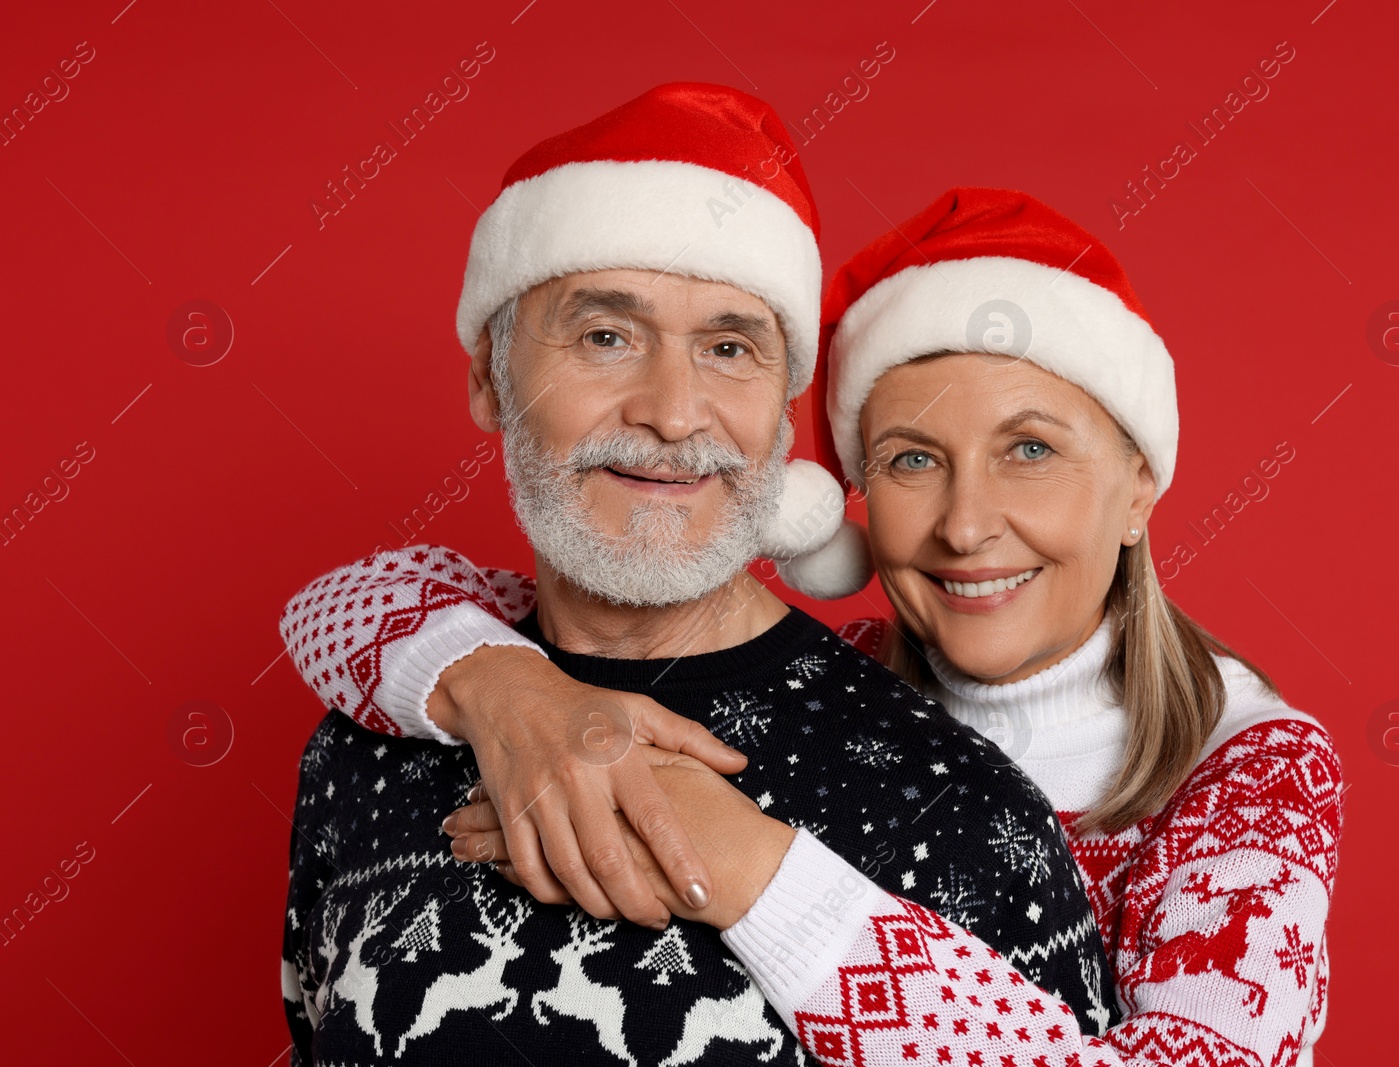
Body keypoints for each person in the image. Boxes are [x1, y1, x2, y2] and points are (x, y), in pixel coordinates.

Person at [281, 188, 1345, 1066]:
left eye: (1030, 449)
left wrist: (743, 863)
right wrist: (513, 696)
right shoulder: (830, 685)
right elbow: (352, 602)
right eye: (912, 461)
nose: (969, 525)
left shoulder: (1247, 766)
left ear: (1138, 487)